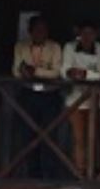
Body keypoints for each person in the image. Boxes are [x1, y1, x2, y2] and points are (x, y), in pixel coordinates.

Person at [12, 14, 64, 177]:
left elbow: (56, 72)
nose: (40, 33)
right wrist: (25, 72)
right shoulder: (21, 46)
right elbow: (16, 70)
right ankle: (32, 175)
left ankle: (49, 176)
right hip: (28, 95)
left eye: (43, 30)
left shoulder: (55, 47)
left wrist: (35, 72)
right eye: (36, 30)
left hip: (50, 96)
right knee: (28, 135)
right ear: (30, 31)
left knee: (49, 137)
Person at [61, 20, 100, 177]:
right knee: (79, 139)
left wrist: (85, 74)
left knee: (95, 138)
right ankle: (80, 173)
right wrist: (71, 73)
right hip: (75, 100)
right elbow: (64, 69)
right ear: (79, 34)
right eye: (84, 33)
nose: (87, 37)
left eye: (90, 33)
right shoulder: (69, 48)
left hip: (95, 101)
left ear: (95, 35)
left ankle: (95, 172)